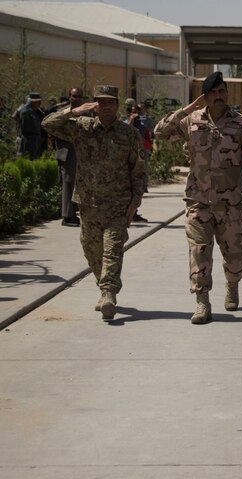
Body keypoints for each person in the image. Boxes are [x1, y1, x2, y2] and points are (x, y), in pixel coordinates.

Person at [154, 71, 242, 324]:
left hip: (231, 203)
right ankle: (202, 301)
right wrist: (188, 108)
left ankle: (232, 283)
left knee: (235, 254)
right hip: (198, 201)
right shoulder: (190, 121)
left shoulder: (240, 124)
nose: (218, 97)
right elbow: (159, 132)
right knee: (199, 252)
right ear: (204, 96)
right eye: (213, 93)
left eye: (222, 92)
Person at [42, 85, 146, 320]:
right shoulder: (82, 128)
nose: (106, 106)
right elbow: (48, 124)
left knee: (112, 250)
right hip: (88, 204)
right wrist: (73, 111)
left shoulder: (129, 134)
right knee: (92, 251)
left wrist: (135, 202)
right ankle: (103, 287)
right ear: (95, 105)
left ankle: (109, 292)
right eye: (101, 102)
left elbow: (138, 170)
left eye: (111, 102)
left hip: (117, 205)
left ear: (117, 106)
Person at [54, 87, 84, 227]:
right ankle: (67, 216)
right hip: (67, 152)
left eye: (79, 96)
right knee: (68, 183)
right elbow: (52, 128)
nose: (76, 98)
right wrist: (68, 137)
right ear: (69, 96)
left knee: (76, 184)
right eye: (74, 96)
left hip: (80, 153)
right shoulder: (63, 113)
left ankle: (73, 214)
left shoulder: (85, 112)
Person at [17, 92, 45, 159]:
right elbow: (25, 127)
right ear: (33, 102)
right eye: (38, 102)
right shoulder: (26, 112)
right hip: (29, 139)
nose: (40, 103)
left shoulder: (36, 111)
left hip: (36, 139)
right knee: (29, 158)